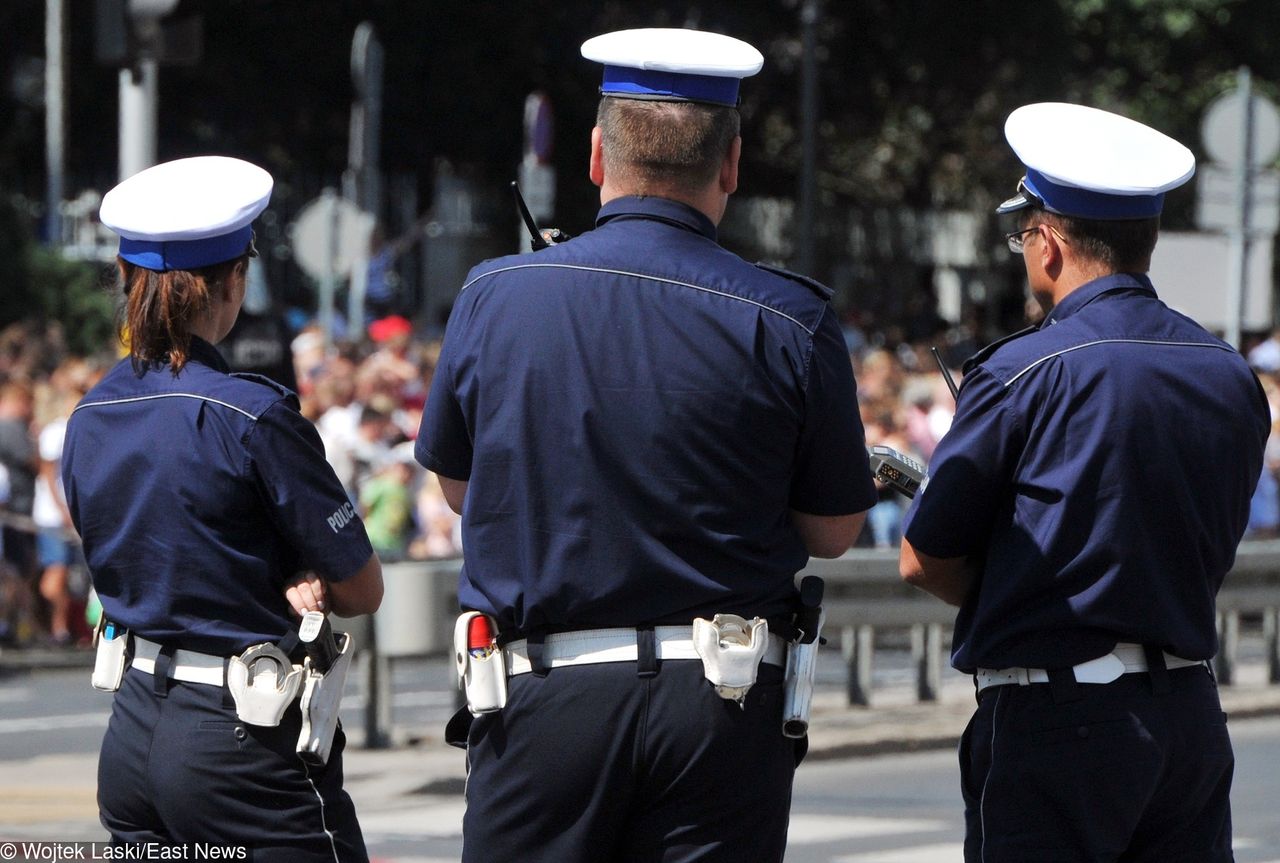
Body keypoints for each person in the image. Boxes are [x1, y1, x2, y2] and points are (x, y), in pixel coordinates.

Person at [415, 28, 876, 863]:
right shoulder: (791, 317)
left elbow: (456, 485)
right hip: (721, 704)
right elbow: (835, 531)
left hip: (542, 695)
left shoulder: (494, 296)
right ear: (730, 166)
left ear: (595, 155)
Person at [898, 102, 1270, 862]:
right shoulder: (1230, 375)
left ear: (1048, 242)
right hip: (1190, 717)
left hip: (1058, 717)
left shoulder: (1020, 370)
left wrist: (1018, 582)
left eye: (1022, 235)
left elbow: (922, 559)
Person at [62, 156, 383, 860]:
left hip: (132, 726)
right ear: (235, 280)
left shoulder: (90, 415)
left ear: (126, 279)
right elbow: (362, 587)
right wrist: (299, 574)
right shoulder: (255, 416)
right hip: (238, 738)